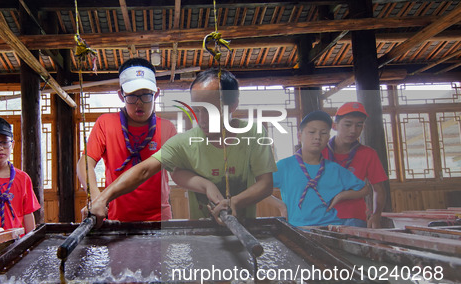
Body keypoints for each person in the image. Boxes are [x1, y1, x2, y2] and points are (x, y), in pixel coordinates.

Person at [88, 68, 276, 227]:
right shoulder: (186, 142)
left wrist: (235, 202)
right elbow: (144, 170)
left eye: (210, 110)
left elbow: (266, 184)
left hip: (247, 230)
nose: (201, 119)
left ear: (233, 104)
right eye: (198, 110)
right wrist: (102, 199)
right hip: (200, 234)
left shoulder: (254, 133)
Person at [77, 58, 177, 223]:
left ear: (156, 94)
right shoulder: (105, 123)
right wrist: (96, 198)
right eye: (132, 96)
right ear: (121, 95)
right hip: (118, 218)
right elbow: (85, 162)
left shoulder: (167, 129)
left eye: (146, 95)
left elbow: (177, 172)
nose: (139, 103)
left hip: (159, 219)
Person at [266, 110, 369, 227]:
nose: (317, 137)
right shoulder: (285, 166)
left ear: (328, 138)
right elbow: (258, 186)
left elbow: (364, 189)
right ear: (299, 136)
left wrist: (341, 196)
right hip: (298, 228)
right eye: (311, 132)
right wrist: (280, 205)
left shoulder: (334, 169)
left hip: (332, 229)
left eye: (323, 133)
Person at [322, 102, 388, 228]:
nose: (353, 130)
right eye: (347, 124)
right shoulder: (319, 151)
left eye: (359, 125)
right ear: (334, 126)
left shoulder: (368, 154)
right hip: (321, 216)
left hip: (355, 218)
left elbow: (379, 190)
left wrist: (376, 215)